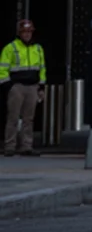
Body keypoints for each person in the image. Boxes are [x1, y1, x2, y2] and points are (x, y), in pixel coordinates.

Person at [1, 18, 46, 156]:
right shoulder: (10, 48)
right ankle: (10, 146)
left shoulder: (38, 49)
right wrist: (9, 86)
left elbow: (42, 69)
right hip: (17, 87)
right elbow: (2, 69)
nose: (27, 34)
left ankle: (26, 146)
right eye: (24, 32)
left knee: (28, 119)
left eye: (29, 32)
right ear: (19, 33)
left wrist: (41, 87)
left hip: (32, 86)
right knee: (13, 117)